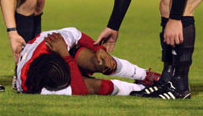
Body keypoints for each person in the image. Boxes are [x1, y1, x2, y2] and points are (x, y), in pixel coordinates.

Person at [16, 27, 161, 96]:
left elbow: (75, 33)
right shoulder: (34, 88)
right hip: (62, 59)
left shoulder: (53, 42)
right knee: (93, 86)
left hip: (63, 55)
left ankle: (144, 75)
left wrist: (99, 48)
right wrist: (66, 56)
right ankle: (140, 90)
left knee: (101, 62)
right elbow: (79, 90)